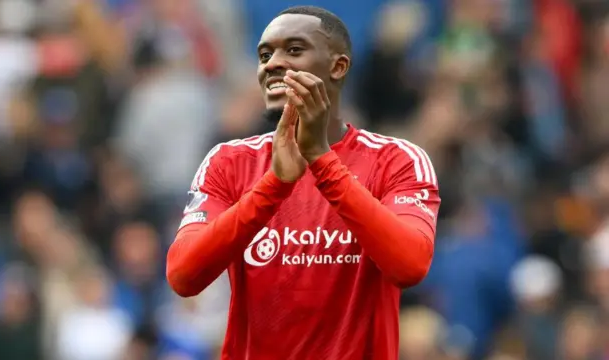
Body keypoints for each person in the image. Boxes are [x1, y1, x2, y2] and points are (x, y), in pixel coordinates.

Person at [166, 5, 440, 359]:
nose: (273, 64)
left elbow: (410, 265)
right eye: (265, 54)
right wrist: (273, 186)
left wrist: (323, 162)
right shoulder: (229, 162)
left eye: (294, 50)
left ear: (338, 67)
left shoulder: (397, 161)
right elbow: (183, 275)